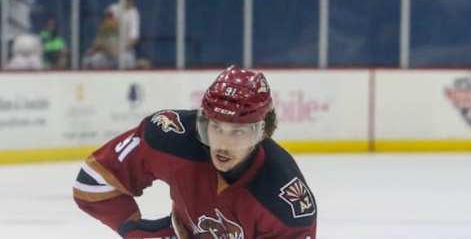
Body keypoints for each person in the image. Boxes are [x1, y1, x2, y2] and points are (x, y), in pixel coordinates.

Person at [73, 66, 317, 238]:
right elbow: (92, 183)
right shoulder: (171, 136)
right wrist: (132, 229)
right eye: (216, 127)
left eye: (239, 132)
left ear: (263, 132)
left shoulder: (286, 203)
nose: (223, 143)